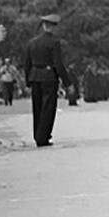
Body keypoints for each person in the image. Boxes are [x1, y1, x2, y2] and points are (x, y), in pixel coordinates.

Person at [24, 14, 73, 148]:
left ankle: (37, 135)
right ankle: (43, 136)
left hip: (35, 76)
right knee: (48, 108)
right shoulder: (54, 42)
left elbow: (27, 64)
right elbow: (58, 63)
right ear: (52, 27)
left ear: (43, 26)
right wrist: (67, 82)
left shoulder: (32, 42)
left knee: (37, 107)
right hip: (49, 77)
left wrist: (27, 80)